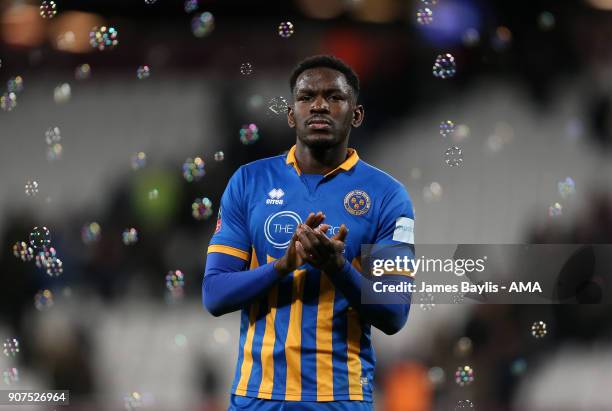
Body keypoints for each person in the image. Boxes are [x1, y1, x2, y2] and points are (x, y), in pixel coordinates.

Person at [203, 55, 415, 411]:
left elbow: (394, 314)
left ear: (356, 115)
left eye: (334, 97)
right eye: (306, 97)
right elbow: (214, 294)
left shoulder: (388, 195)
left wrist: (337, 267)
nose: (319, 105)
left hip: (339, 398)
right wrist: (280, 267)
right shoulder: (249, 182)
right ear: (291, 114)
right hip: (257, 397)